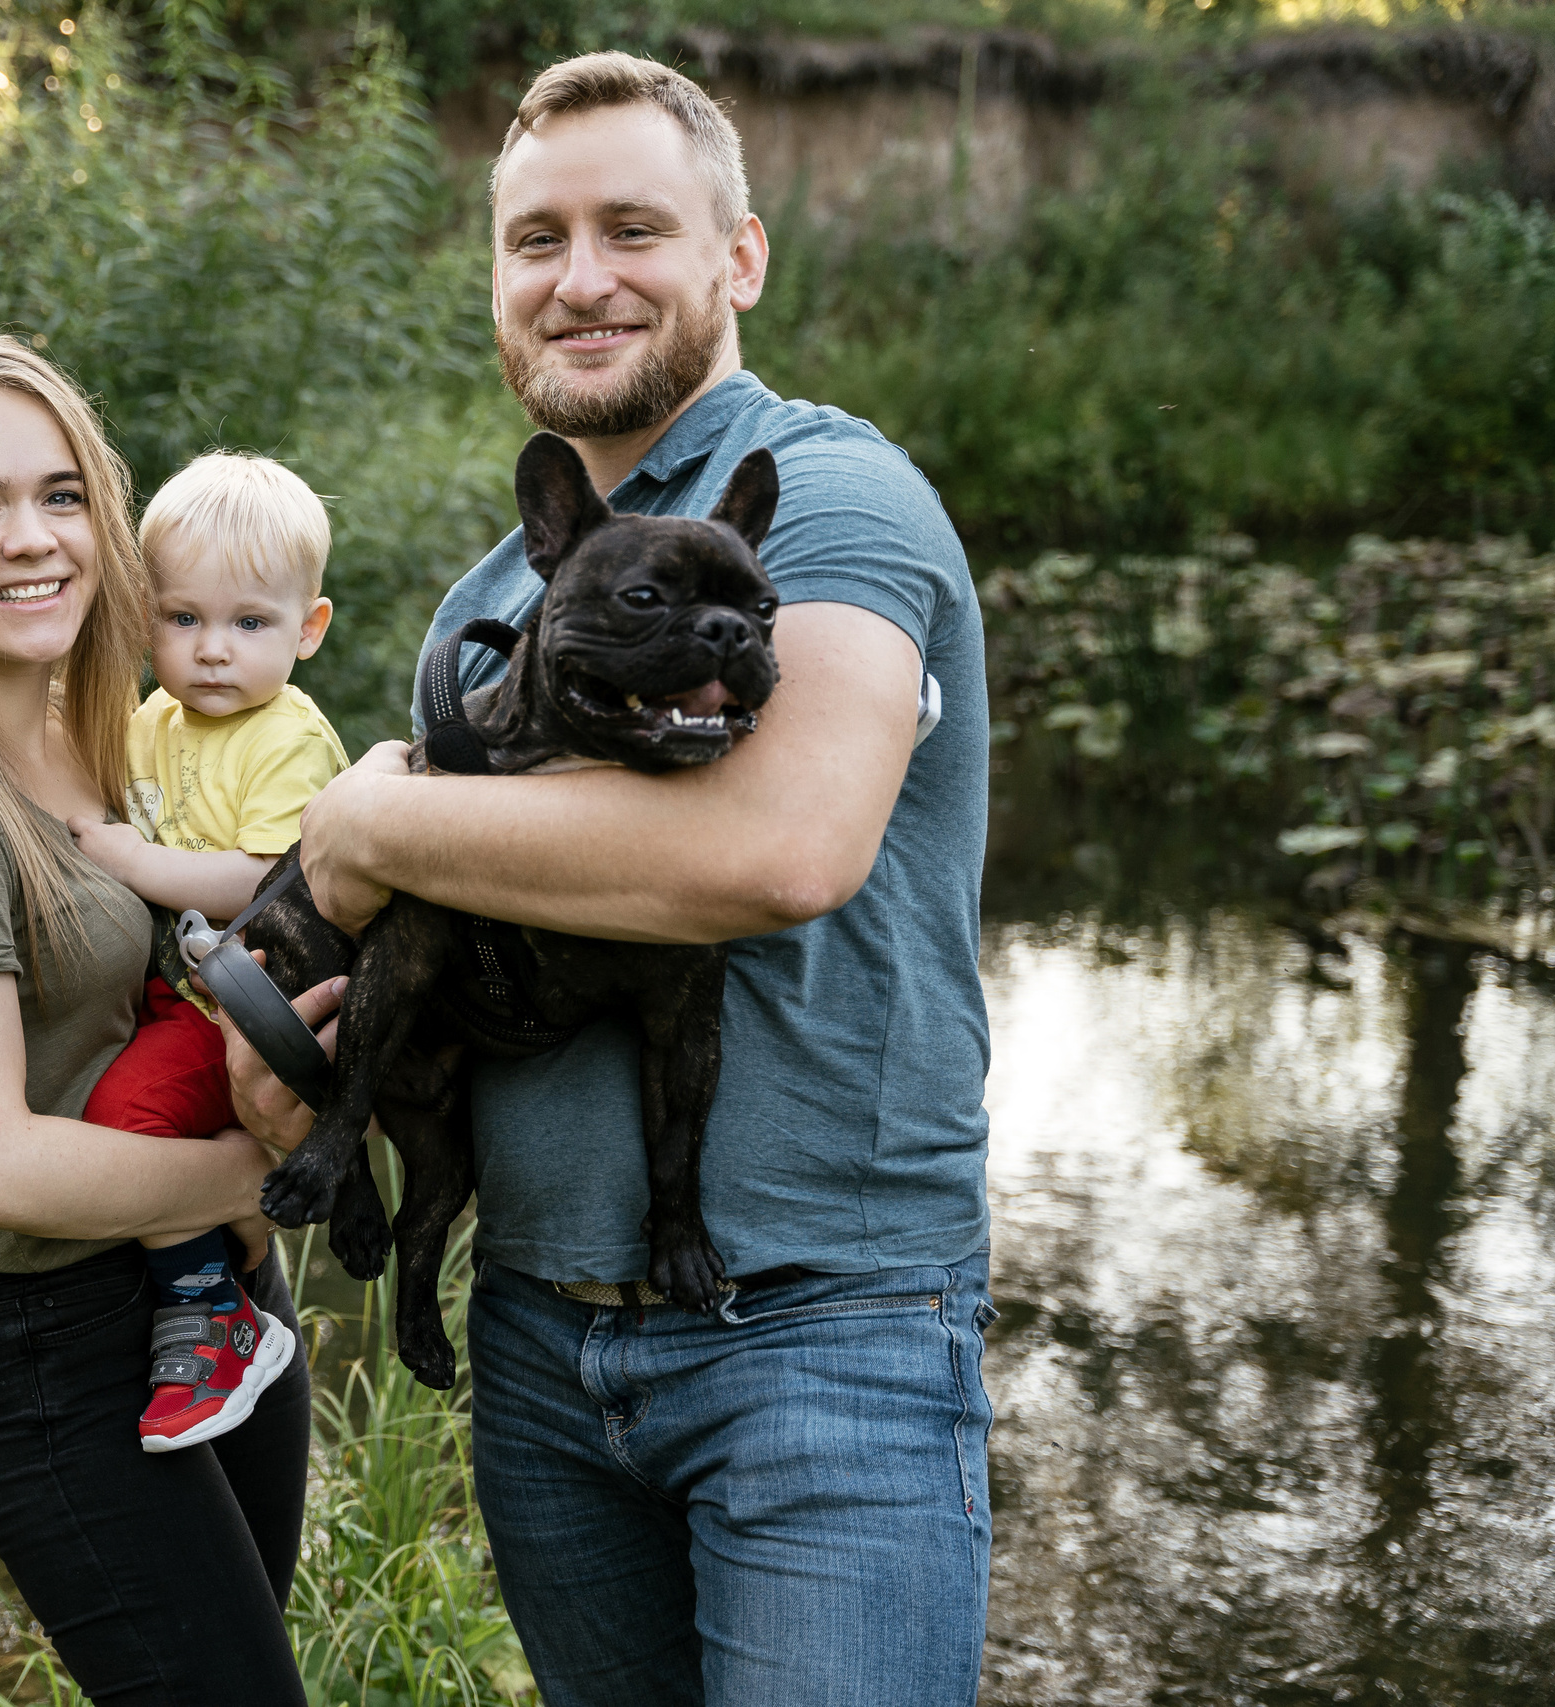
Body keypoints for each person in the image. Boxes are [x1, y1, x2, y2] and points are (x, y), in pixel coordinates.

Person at [224, 52, 997, 1707]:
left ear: (741, 258)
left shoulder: (835, 500)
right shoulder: (497, 595)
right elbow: (454, 934)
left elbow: (776, 852)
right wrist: (301, 1027)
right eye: (534, 241)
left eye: (632, 228)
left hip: (822, 1335)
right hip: (540, 1345)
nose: (577, 280)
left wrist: (364, 830)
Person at [0, 335, 311, 1706]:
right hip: (63, 1356)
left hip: (212, 1305)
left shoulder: (104, 740)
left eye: (62, 493)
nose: (32, 538)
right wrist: (263, 1176)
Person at [63, 452, 347, 1451]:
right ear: (146, 618)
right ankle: (223, 1254)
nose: (212, 650)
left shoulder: (287, 738)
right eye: (183, 619)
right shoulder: (154, 719)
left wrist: (129, 858)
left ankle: (210, 1314)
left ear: (306, 630)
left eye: (249, 623)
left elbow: (260, 878)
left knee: (125, 1115)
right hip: (180, 991)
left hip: (248, 1002)